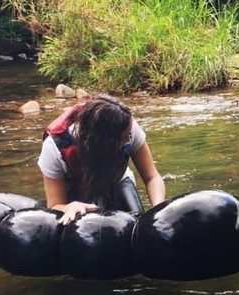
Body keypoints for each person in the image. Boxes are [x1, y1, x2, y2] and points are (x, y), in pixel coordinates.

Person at [38, 94, 166, 225]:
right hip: (77, 190)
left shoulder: (127, 127)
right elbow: (54, 205)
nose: (129, 140)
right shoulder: (55, 146)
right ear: (103, 141)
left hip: (117, 181)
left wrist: (159, 211)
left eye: (129, 136)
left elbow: (152, 177)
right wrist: (68, 207)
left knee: (135, 223)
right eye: (123, 138)